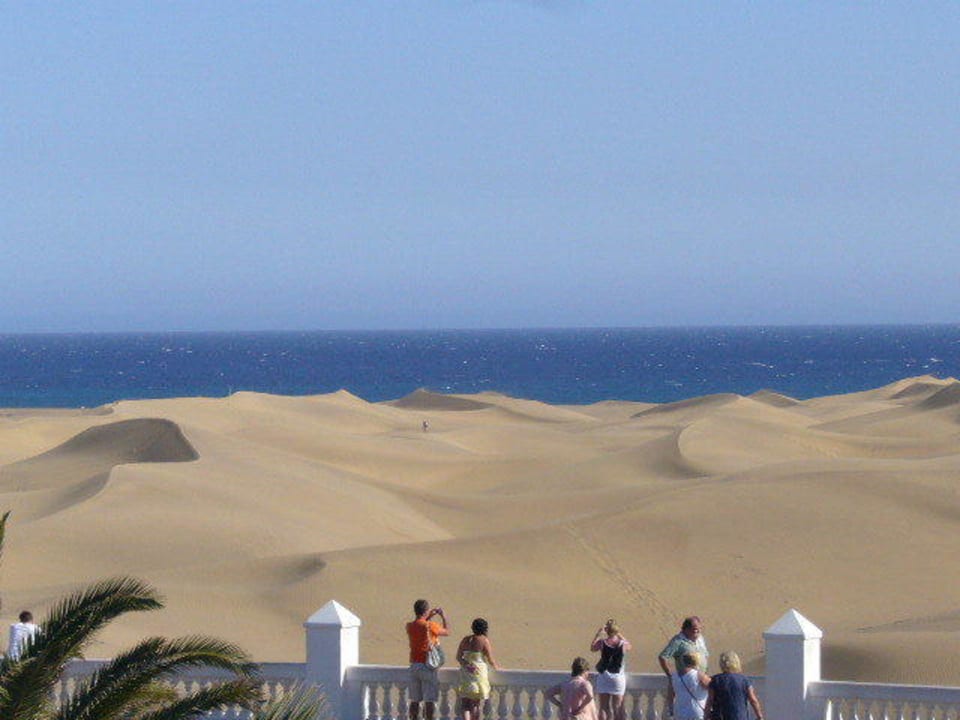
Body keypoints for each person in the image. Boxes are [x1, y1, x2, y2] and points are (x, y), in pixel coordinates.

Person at [406, 599, 450, 720]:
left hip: (414, 665)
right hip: (427, 666)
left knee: (414, 700)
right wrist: (443, 616)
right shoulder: (430, 625)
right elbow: (447, 631)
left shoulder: (409, 626)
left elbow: (421, 624)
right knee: (429, 700)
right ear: (425, 611)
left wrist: (428, 615)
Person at [658, 616, 709, 710]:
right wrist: (670, 675)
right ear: (686, 629)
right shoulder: (678, 641)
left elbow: (705, 655)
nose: (697, 632)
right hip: (687, 680)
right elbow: (663, 657)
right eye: (694, 629)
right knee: (689, 706)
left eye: (699, 629)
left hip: (701, 679)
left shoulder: (700, 639)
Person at [457, 617, 501, 720]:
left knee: (465, 705)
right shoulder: (484, 640)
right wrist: (497, 667)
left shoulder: (465, 640)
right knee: (476, 704)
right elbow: (490, 659)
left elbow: (459, 657)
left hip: (466, 672)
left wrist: (467, 664)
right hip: (478, 673)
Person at [590, 619, 632, 720]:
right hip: (618, 678)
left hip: (604, 676)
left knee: (604, 708)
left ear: (607, 631)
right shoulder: (622, 644)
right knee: (618, 708)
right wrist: (618, 634)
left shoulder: (602, 643)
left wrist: (598, 634)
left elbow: (592, 648)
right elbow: (630, 646)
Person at [704, 651, 764, 720]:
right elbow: (753, 700)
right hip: (740, 716)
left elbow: (710, 700)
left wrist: (706, 716)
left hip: (721, 716)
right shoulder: (744, 680)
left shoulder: (715, 680)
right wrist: (759, 716)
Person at [670, 652, 710, 720]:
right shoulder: (699, 675)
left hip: (679, 711)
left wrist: (671, 708)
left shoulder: (674, 676)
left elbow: (670, 694)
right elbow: (712, 687)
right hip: (696, 711)